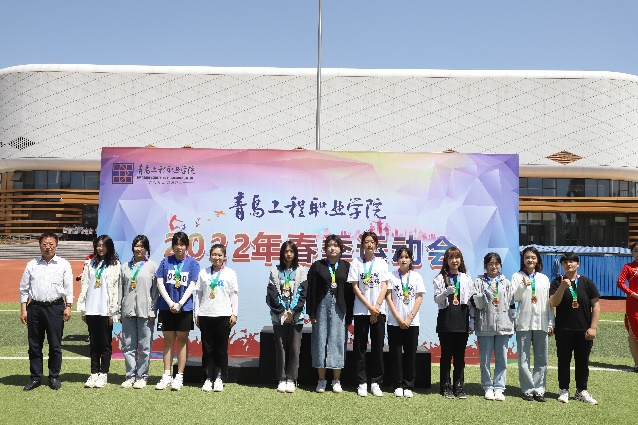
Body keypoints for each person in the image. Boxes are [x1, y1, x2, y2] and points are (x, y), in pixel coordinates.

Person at [19, 232, 74, 391]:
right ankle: (35, 377)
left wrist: (68, 306)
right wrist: (24, 309)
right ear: (40, 246)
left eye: (51, 244)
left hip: (55, 308)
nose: (48, 247)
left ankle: (54, 376)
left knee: (55, 345)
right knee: (34, 345)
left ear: (56, 245)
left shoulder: (63, 264)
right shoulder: (32, 264)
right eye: (44, 244)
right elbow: (24, 288)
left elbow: (68, 287)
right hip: (35, 308)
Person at [549, 252, 601, 405]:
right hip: (563, 329)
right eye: (565, 262)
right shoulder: (557, 282)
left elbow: (596, 306)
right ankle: (563, 389)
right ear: (562, 265)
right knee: (563, 361)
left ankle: (581, 391)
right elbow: (553, 303)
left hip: (584, 330)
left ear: (578, 264)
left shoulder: (587, 283)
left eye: (571, 261)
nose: (568, 264)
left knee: (582, 362)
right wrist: (562, 287)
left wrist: (593, 327)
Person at [307, 234, 353, 394]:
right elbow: (311, 290)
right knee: (320, 340)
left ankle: (336, 380)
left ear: (341, 248)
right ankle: (321, 380)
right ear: (325, 249)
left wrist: (349, 315)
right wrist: (311, 312)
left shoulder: (346, 266)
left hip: (340, 307)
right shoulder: (317, 266)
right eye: (329, 245)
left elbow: (350, 293)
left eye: (335, 245)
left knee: (337, 341)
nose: (332, 248)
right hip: (321, 306)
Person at [155, 231, 201, 391]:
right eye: (176, 244)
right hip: (166, 307)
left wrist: (180, 304)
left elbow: (193, 284)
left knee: (182, 342)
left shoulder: (193, 263)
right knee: (168, 341)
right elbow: (160, 282)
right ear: (172, 246)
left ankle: (179, 376)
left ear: (186, 246)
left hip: (185, 308)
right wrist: (170, 303)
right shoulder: (165, 261)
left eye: (182, 244)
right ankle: (166, 375)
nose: (178, 247)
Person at [348, 231, 389, 397]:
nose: (369, 244)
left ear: (376, 245)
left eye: (372, 241)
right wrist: (369, 307)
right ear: (362, 245)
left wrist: (376, 307)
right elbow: (355, 287)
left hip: (379, 311)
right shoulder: (356, 262)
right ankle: (362, 382)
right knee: (360, 348)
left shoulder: (382, 263)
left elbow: (384, 286)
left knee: (378, 347)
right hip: (361, 311)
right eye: (366, 241)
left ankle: (376, 382)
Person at [511, 246, 554, 402]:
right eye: (527, 257)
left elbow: (549, 303)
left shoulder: (544, 278)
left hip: (542, 322)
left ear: (538, 260)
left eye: (533, 257)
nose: (530, 260)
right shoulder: (517, 276)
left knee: (542, 358)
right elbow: (515, 298)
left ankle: (539, 389)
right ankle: (528, 389)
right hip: (524, 322)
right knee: (523, 359)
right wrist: (523, 285)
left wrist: (551, 322)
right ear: (523, 260)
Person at [472, 253, 515, 401]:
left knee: (502, 358)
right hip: (485, 325)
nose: (494, 266)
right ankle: (487, 386)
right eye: (490, 263)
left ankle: (499, 387)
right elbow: (477, 303)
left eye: (497, 263)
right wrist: (488, 292)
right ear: (485, 265)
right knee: (485, 359)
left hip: (504, 325)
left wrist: (512, 323)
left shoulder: (506, 282)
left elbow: (511, 304)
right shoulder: (479, 281)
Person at [195, 244, 238, 392]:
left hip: (224, 315)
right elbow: (199, 294)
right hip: (206, 314)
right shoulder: (203, 273)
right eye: (214, 254)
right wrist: (197, 313)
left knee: (221, 349)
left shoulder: (230, 273)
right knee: (207, 349)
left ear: (224, 257)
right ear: (210, 257)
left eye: (220, 255)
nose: (217, 257)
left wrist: (234, 313)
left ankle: (219, 377)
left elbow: (234, 295)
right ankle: (208, 377)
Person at [266, 241, 307, 393]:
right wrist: (283, 312)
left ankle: (291, 379)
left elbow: (302, 292)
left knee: (295, 349)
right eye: (286, 251)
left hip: (296, 316)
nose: (289, 254)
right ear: (282, 253)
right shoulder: (274, 271)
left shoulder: (301, 270)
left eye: (291, 251)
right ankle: (282, 379)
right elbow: (272, 294)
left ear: (295, 254)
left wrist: (291, 312)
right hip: (279, 316)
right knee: (281, 349)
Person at [433, 246, 474, 399]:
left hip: (462, 321)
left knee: (459, 357)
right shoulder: (440, 278)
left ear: (461, 260)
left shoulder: (466, 278)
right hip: (446, 321)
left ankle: (459, 387)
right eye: (451, 258)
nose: (454, 260)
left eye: (457, 257)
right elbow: (437, 300)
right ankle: (445, 386)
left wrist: (472, 322)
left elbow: (471, 303)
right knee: (446, 356)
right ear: (446, 260)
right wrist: (446, 292)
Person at [119, 235, 158, 389]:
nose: (139, 249)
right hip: (128, 311)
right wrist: (120, 310)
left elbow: (155, 292)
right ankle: (130, 376)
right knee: (128, 345)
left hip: (145, 311)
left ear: (146, 249)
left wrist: (152, 310)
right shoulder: (125, 266)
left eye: (142, 246)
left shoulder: (152, 267)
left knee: (145, 346)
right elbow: (120, 289)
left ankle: (142, 376)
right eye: (136, 245)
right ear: (132, 247)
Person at [385, 247, 424, 398]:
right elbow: (388, 297)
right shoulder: (391, 276)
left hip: (412, 322)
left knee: (410, 355)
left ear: (411, 260)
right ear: (397, 259)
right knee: (395, 354)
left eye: (406, 257)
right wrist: (398, 317)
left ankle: (408, 385)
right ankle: (397, 384)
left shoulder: (417, 277)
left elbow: (419, 298)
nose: (403, 260)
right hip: (394, 322)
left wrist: (409, 318)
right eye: (401, 257)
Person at [616, 242, 638, 372]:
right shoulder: (628, 267)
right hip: (633, 303)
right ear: (632, 253)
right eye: (636, 250)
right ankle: (637, 363)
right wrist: (632, 293)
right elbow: (620, 283)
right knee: (633, 332)